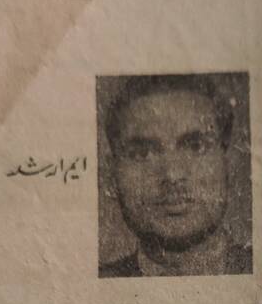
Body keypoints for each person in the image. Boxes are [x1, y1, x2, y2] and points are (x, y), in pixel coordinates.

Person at [99, 74, 252, 277]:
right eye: (142, 154)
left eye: (196, 147)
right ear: (111, 175)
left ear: (229, 162)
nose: (172, 175)